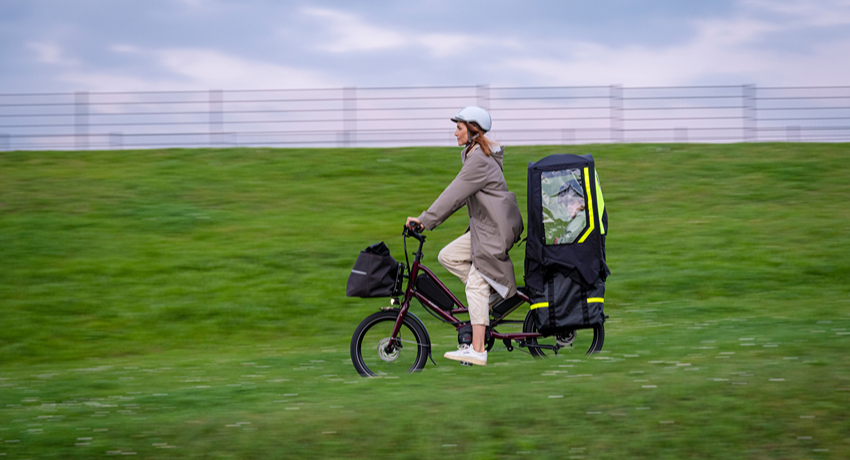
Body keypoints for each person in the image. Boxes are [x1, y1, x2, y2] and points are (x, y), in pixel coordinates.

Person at [406, 106, 524, 366]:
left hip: (494, 231)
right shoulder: (475, 155)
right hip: (487, 228)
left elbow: (454, 195)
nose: (455, 133)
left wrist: (425, 220)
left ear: (473, 131)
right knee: (448, 256)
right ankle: (492, 294)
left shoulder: (479, 161)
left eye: (459, 128)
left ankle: (478, 349)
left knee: (474, 283)